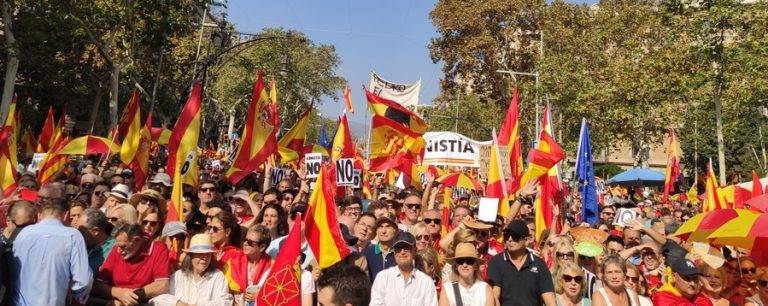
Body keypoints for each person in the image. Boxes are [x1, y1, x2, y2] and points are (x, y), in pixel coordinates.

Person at [9, 197, 92, 306]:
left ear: (40, 215)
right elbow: (83, 281)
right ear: (66, 215)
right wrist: (76, 298)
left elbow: (11, 271)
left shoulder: (23, 233)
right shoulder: (73, 235)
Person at [94, 223, 170, 305]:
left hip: (143, 301)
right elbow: (98, 284)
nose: (118, 251)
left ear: (137, 240)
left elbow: (162, 285)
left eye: (123, 246)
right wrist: (119, 293)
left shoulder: (158, 249)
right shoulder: (117, 249)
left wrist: (131, 296)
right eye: (117, 246)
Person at [487, 219, 556, 306]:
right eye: (507, 236)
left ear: (526, 240)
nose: (510, 239)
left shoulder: (539, 264)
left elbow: (550, 301)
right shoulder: (496, 262)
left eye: (515, 236)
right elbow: (494, 297)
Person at [150, 233, 233, 306]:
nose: (205, 258)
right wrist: (178, 303)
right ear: (191, 255)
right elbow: (157, 298)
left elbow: (225, 301)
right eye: (200, 254)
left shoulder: (217, 276)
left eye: (208, 254)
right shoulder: (178, 276)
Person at [370, 231, 438, 306]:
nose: (402, 252)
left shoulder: (426, 282)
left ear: (415, 251)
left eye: (406, 248)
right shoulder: (383, 277)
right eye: (398, 248)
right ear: (394, 252)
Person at [78, 208, 115, 277]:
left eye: (81, 231)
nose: (77, 235)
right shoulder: (81, 246)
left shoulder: (114, 249)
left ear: (95, 231)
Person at [242, 224, 273, 304]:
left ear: (262, 247)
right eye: (245, 240)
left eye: (250, 242)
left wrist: (260, 296)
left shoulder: (272, 266)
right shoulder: (234, 262)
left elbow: (276, 293)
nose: (245, 243)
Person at [362, 216, 398, 281]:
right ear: (376, 231)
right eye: (380, 227)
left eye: (387, 226)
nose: (383, 231)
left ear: (395, 230)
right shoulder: (366, 253)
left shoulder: (400, 254)